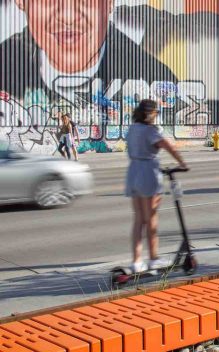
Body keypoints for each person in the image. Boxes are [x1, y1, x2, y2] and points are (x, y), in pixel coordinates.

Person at [0, 0, 176, 102]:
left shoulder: (156, 76)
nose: (68, 17)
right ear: (21, 2)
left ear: (109, 4)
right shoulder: (5, 65)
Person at [125, 99, 187, 273]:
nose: (157, 115)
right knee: (151, 219)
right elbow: (170, 147)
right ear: (150, 113)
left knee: (138, 220)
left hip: (133, 172)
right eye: (156, 112)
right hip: (148, 173)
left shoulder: (132, 129)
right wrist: (182, 163)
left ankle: (136, 262)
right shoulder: (150, 131)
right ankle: (153, 259)